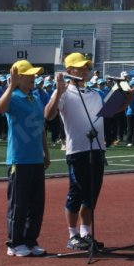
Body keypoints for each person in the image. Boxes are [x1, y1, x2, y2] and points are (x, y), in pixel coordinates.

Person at [44, 52, 115, 252]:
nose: (85, 70)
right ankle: (72, 235)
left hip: (97, 149)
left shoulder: (94, 93)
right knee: (77, 193)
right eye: (80, 67)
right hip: (78, 150)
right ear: (69, 71)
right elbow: (48, 115)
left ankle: (86, 234)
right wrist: (58, 91)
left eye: (86, 67)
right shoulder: (64, 92)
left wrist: (125, 98)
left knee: (92, 195)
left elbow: (109, 113)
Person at [0, 59, 49, 257]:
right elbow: (0, 109)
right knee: (18, 203)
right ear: (19, 78)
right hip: (19, 159)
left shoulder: (35, 98)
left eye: (34, 75)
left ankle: (30, 240)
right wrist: (10, 86)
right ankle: (14, 243)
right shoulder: (14, 97)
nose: (34, 78)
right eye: (30, 75)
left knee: (36, 204)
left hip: (35, 158)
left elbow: (41, 127)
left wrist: (45, 152)